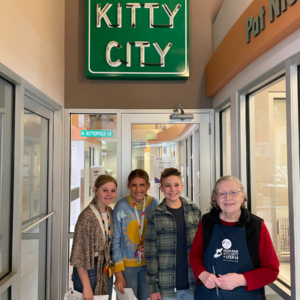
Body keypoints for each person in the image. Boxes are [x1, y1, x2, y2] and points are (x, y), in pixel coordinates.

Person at [189, 175, 280, 300]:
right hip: (208, 295)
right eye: (222, 194)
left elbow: (271, 270)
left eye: (233, 192)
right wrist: (202, 274)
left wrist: (241, 279)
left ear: (242, 196)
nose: (228, 198)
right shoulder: (206, 222)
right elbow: (195, 256)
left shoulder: (256, 226)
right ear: (215, 198)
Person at [144, 167, 201, 300]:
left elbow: (202, 247)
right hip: (166, 288)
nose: (173, 189)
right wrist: (153, 288)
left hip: (193, 285)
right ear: (161, 188)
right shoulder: (154, 215)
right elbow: (151, 254)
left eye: (176, 185)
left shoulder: (194, 210)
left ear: (182, 186)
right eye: (168, 186)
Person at [112, 169, 159, 300]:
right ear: (128, 186)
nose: (138, 189)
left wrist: (151, 249)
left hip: (149, 266)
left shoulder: (155, 204)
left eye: (142, 185)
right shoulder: (121, 206)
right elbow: (115, 240)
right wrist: (119, 273)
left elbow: (160, 237)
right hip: (127, 268)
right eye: (134, 185)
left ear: (148, 186)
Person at [70, 174, 117, 300]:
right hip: (89, 270)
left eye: (113, 190)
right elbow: (79, 255)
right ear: (95, 190)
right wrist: (86, 286)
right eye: (105, 190)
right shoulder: (87, 217)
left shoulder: (110, 213)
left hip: (105, 268)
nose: (109, 194)